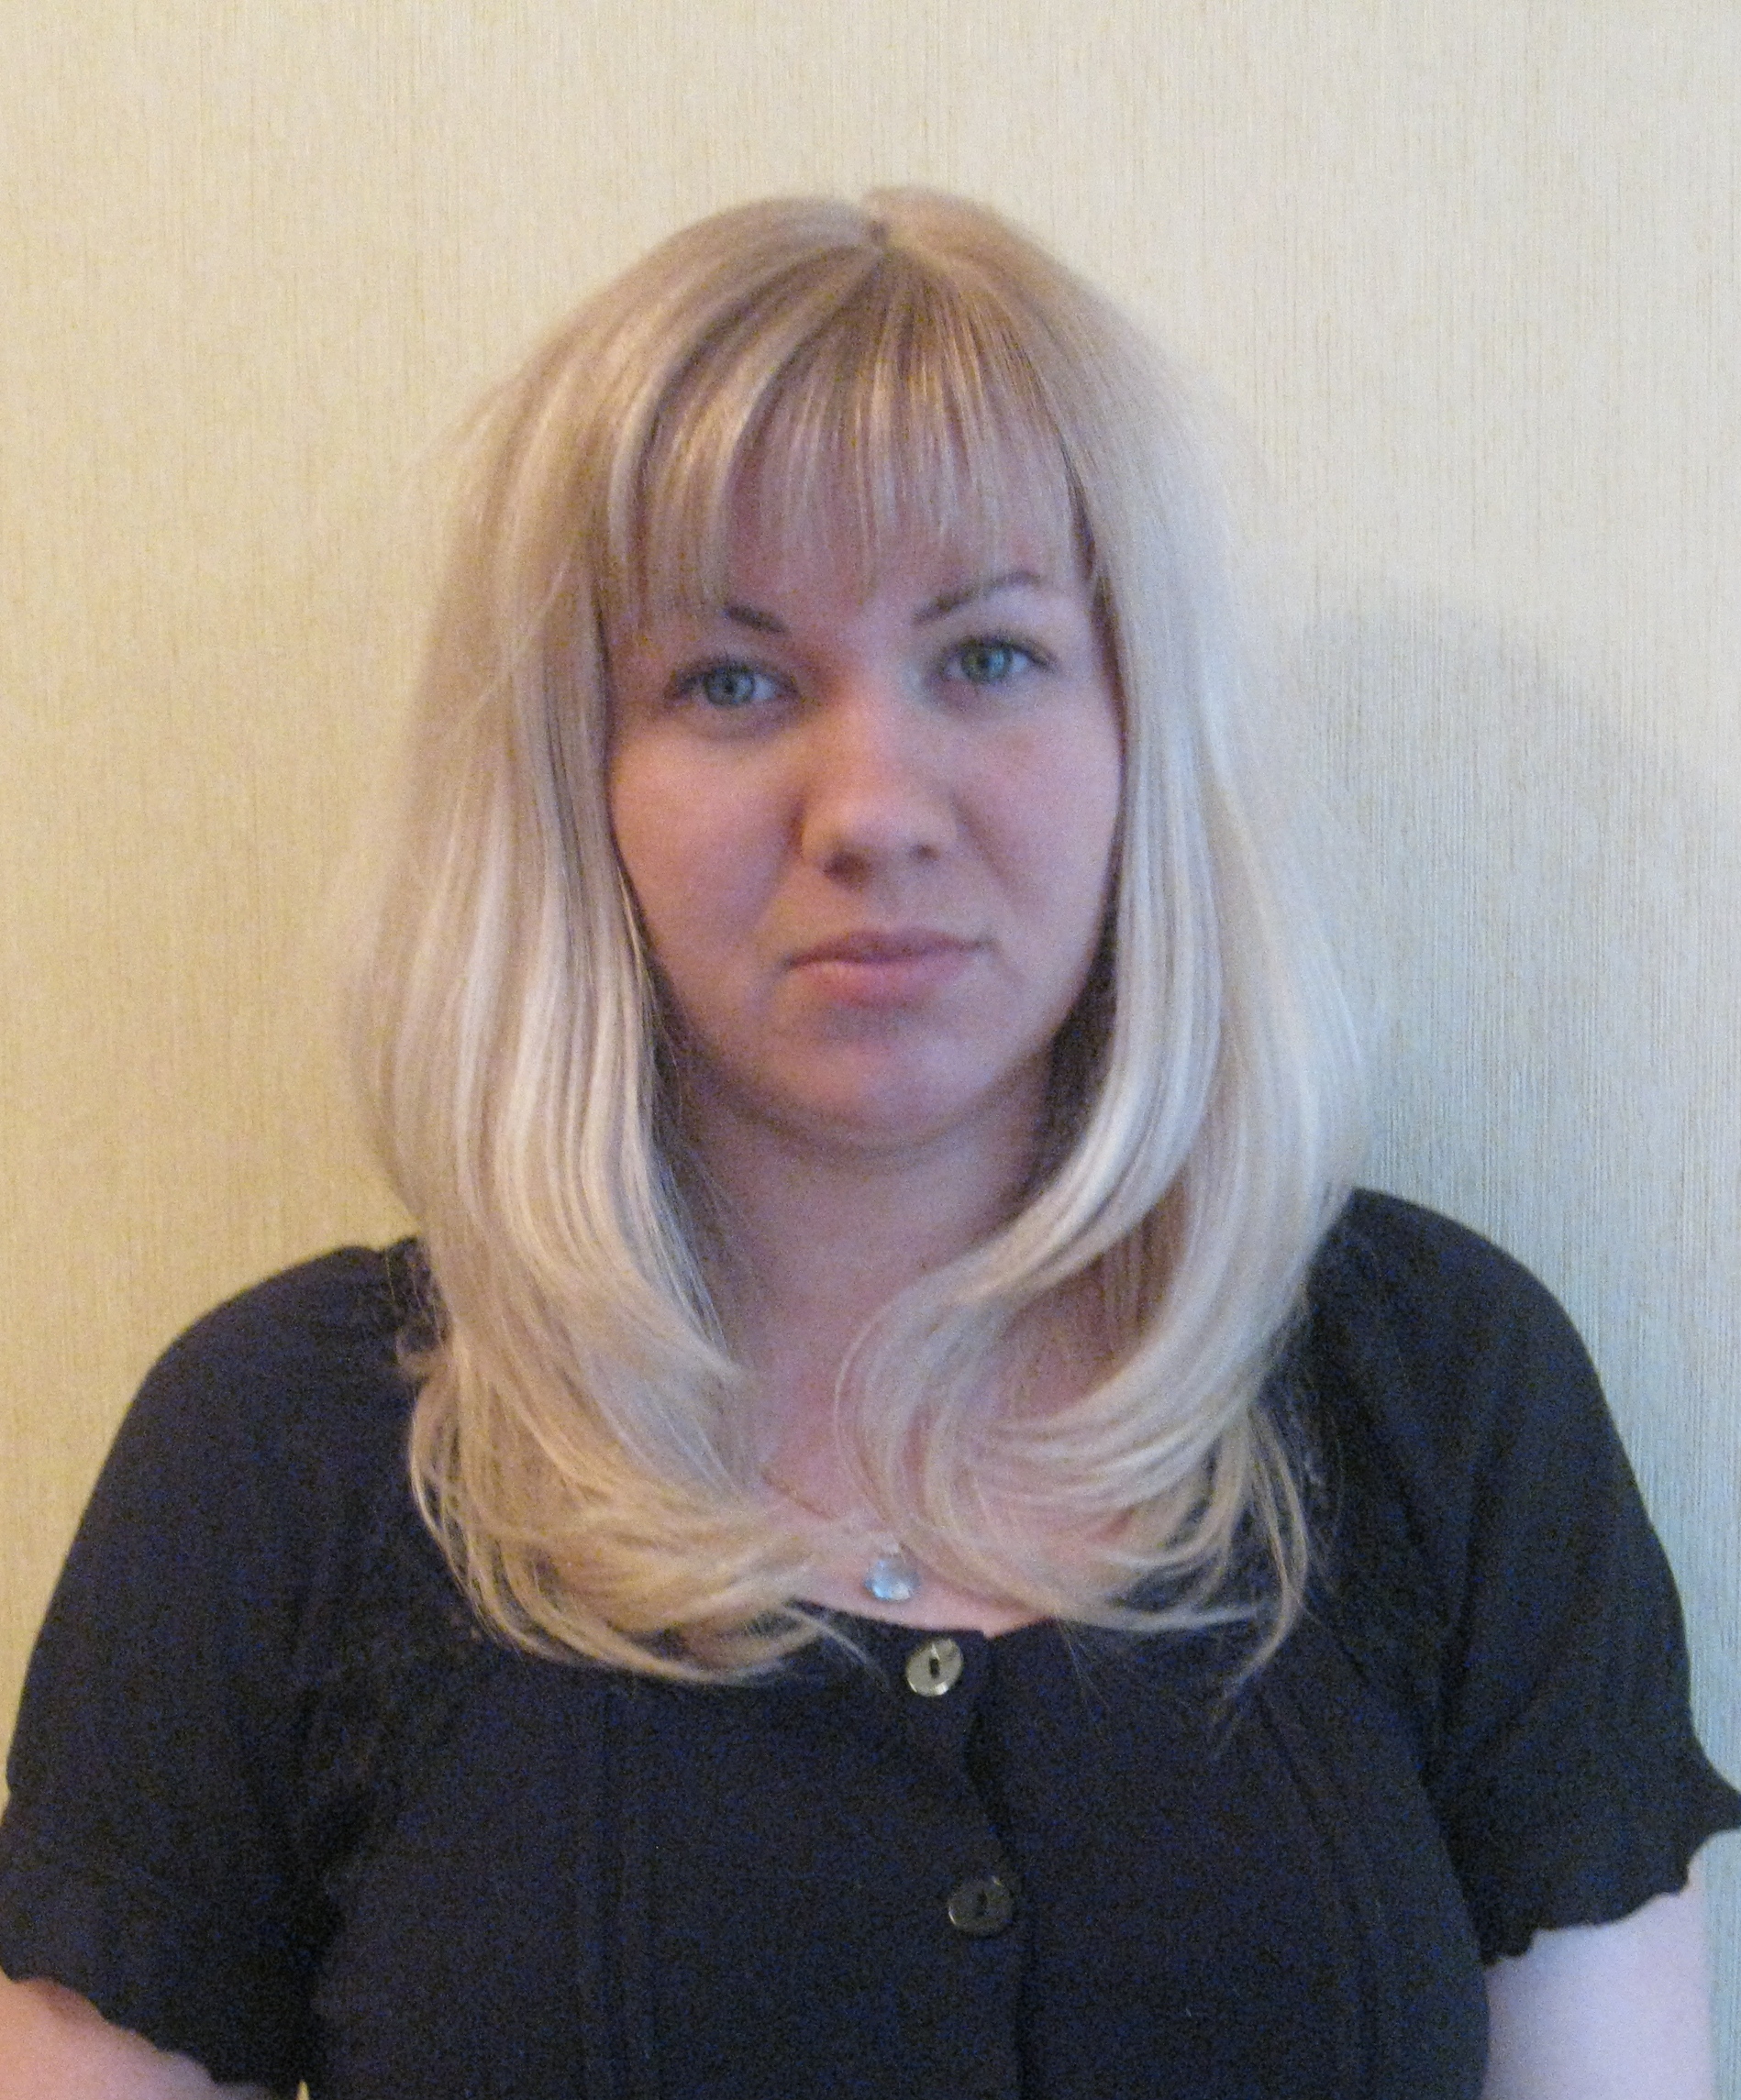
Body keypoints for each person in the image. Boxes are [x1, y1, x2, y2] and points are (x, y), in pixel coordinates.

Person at [0, 190, 1734, 2100]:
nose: (874, 808)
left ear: (1141, 728)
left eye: (986, 655)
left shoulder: (1438, 1389)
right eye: (728, 681)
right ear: (575, 778)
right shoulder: (285, 1453)